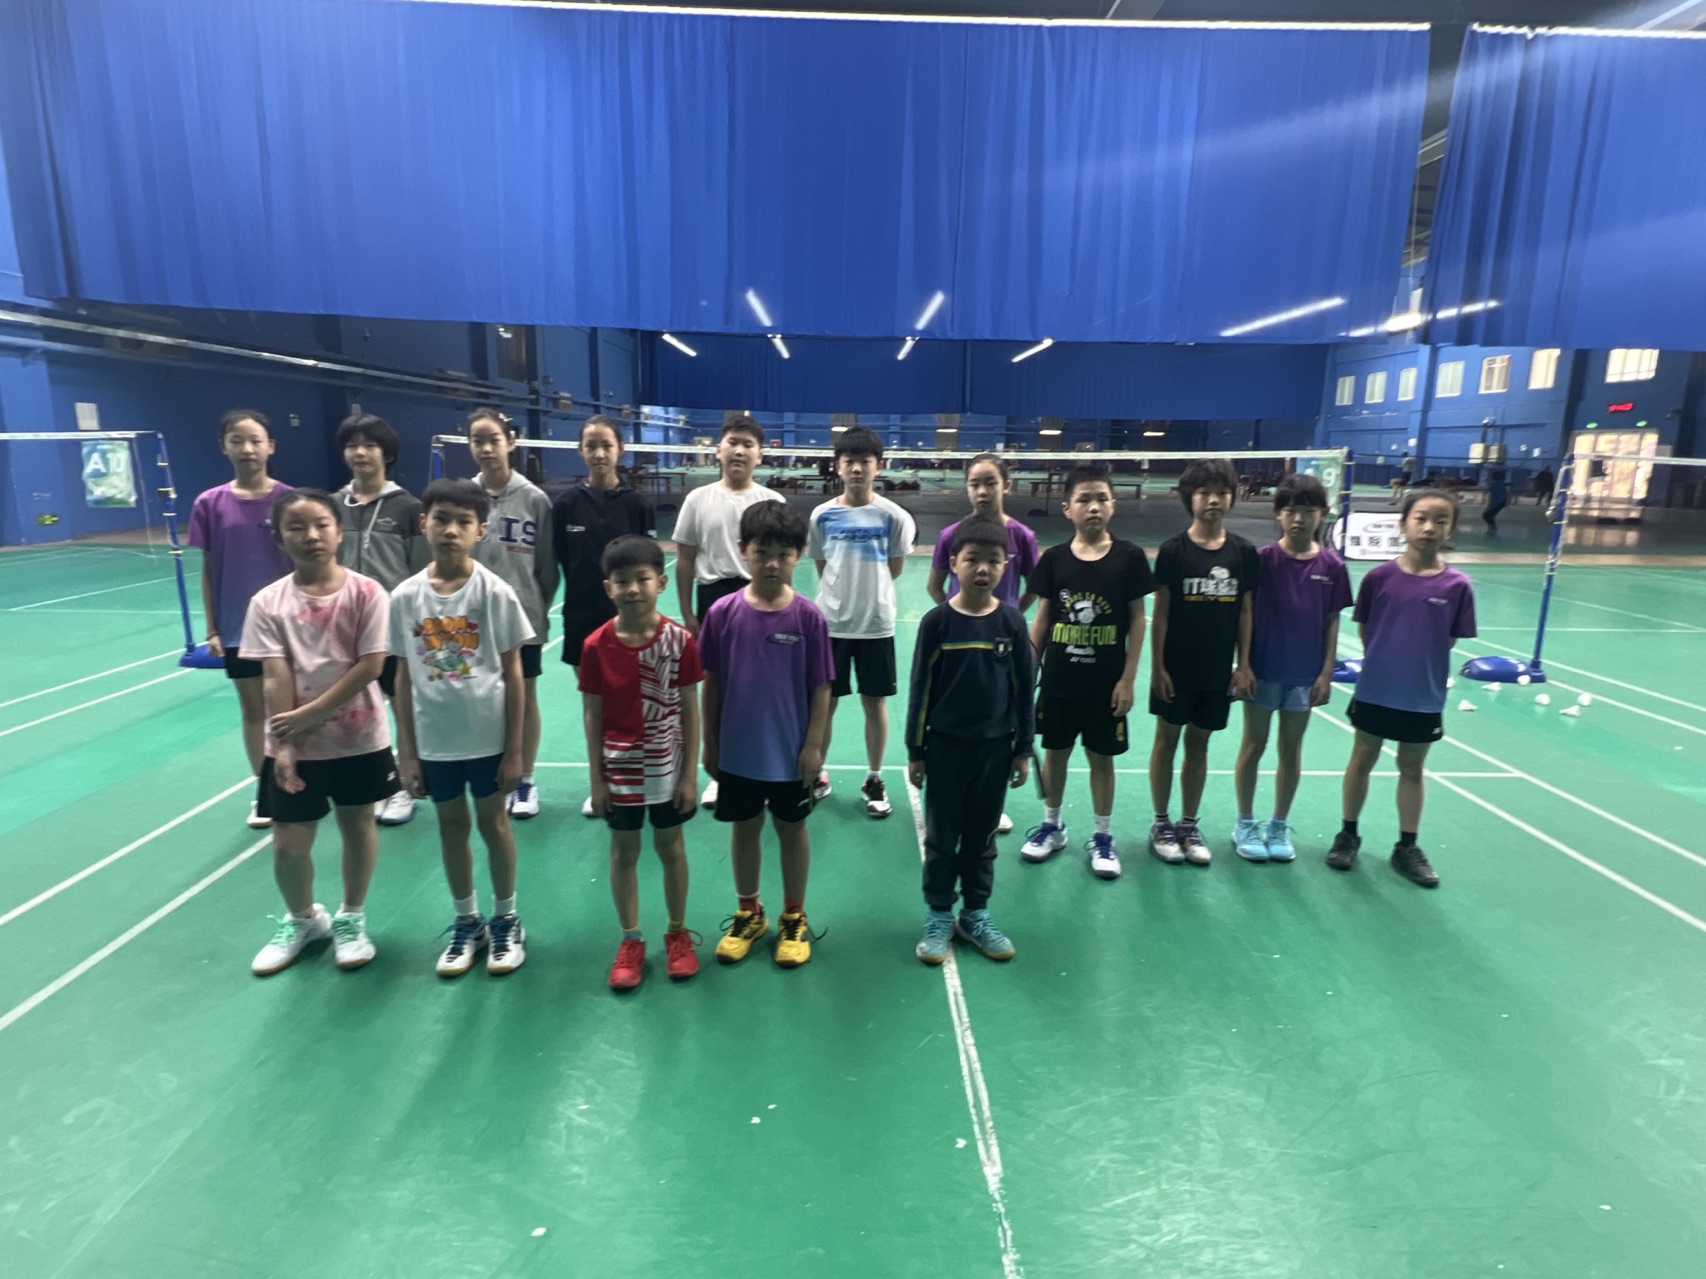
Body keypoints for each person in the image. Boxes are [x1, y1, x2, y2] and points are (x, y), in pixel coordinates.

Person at [243, 490, 397, 976]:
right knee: (288, 845)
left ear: (338, 532)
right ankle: (304, 919)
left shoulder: (368, 593)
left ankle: (351, 917)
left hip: (358, 738)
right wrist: (286, 744)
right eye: (296, 527)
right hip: (294, 743)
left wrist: (306, 715)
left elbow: (370, 666)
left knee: (358, 827)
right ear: (279, 538)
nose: (311, 536)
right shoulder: (267, 602)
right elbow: (275, 675)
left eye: (321, 525)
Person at [390, 480, 530, 978]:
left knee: (494, 825)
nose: (451, 529)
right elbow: (402, 677)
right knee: (451, 827)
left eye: (463, 522)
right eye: (441, 519)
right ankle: (467, 920)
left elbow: (513, 674)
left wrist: (514, 751)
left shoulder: (495, 592)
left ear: (480, 531)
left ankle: (506, 918)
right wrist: (407, 752)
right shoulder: (405, 597)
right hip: (435, 742)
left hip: (487, 739)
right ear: (423, 523)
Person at [698, 502, 833, 969]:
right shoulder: (722, 613)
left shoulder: (809, 618)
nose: (772, 563)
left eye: (783, 553)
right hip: (738, 752)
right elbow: (712, 682)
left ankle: (793, 915)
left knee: (792, 830)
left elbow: (821, 687)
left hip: (791, 754)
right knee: (745, 829)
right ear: (743, 551)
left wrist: (813, 746)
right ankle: (749, 912)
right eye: (762, 552)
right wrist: (710, 742)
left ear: (799, 555)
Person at [1332, 489, 1477, 888]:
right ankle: (1348, 834)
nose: (1429, 527)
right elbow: (1366, 631)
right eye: (1421, 518)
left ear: (1450, 529)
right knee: (1362, 758)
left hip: (1422, 695)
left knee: (1412, 768)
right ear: (1403, 524)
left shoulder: (1457, 585)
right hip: (1375, 691)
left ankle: (1407, 846)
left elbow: (1448, 639)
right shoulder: (1379, 578)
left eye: (1440, 521)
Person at [906, 516, 1035, 965]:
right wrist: (916, 751)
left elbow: (1023, 691)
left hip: (995, 751)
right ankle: (939, 913)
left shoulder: (1012, 623)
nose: (983, 568)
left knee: (981, 836)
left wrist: (1022, 749)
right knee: (942, 837)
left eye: (993, 561)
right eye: (973, 559)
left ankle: (975, 913)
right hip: (945, 748)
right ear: (954, 563)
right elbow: (921, 689)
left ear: (1006, 566)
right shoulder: (937, 623)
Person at [579, 535, 704, 990]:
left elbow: (690, 707)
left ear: (661, 582)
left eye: (642, 579)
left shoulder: (680, 641)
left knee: (671, 849)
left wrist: (689, 774)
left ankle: (677, 933)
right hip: (621, 771)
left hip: (667, 768)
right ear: (607, 587)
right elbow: (592, 714)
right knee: (624, 852)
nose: (632, 588)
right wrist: (597, 779)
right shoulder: (596, 645)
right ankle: (630, 938)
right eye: (622, 580)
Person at [1019, 463, 1155, 879]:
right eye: (1084, 499)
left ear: (1113, 505)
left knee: (1102, 760)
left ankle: (1102, 835)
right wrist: (1029, 670)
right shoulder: (1055, 559)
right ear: (1067, 508)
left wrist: (1128, 679)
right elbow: (1042, 618)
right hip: (1058, 682)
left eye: (1101, 498)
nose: (1093, 506)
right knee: (1055, 755)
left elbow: (1138, 620)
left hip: (1105, 685)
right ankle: (1052, 825)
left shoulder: (1130, 558)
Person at [1231, 475, 1352, 862]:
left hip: (1304, 675)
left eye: (1308, 511)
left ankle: (1279, 824)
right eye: (1291, 511)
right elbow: (1245, 615)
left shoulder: (1332, 566)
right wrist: (1243, 664)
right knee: (1254, 744)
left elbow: (1331, 622)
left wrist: (1326, 672)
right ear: (1278, 513)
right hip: (1263, 669)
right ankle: (1245, 822)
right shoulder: (1261, 560)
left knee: (1290, 748)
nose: (1299, 519)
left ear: (1323, 514)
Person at [1148, 458, 1261, 867]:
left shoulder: (1243, 552)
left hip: (1217, 670)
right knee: (1166, 740)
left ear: (1232, 497)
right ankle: (1161, 823)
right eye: (1204, 492)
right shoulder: (1172, 551)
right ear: (1189, 498)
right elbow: (1161, 613)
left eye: (1221, 492)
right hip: (1176, 668)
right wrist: (1157, 667)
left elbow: (1246, 611)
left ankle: (1189, 824)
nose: (1213, 500)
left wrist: (1243, 664)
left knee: (1200, 744)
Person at [670, 414, 785, 809]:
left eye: (748, 444)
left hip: (762, 597)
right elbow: (685, 559)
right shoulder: (698, 499)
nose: (739, 450)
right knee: (717, 687)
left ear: (760, 455)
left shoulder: (772, 502)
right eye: (732, 442)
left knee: (760, 686)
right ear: (718, 450)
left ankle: (764, 764)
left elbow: (784, 562)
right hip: (714, 600)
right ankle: (721, 773)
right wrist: (688, 613)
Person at [187, 409, 294, 831]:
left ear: (271, 446)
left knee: (294, 707)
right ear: (224, 447)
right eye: (237, 440)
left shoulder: (289, 501)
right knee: (254, 710)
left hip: (288, 626)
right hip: (237, 628)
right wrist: (213, 628)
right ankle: (265, 789)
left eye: (255, 440)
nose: (247, 449)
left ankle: (302, 779)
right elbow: (209, 569)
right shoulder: (209, 504)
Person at [925, 452, 1040, 835]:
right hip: (958, 645)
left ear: (1005, 486)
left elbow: (1034, 587)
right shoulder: (950, 536)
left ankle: (991, 800)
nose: (982, 491)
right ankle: (951, 797)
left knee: (1001, 719)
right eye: (975, 483)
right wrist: (954, 618)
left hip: (1003, 646)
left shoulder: (1022, 536)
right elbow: (935, 586)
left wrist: (1010, 618)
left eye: (990, 482)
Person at [806, 426, 916, 819]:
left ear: (878, 466)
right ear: (838, 466)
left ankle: (874, 778)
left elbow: (894, 568)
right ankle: (817, 773)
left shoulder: (893, 516)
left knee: (875, 703)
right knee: (826, 703)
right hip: (831, 625)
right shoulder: (821, 515)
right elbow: (823, 566)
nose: (856, 469)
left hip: (875, 625)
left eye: (864, 462)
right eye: (849, 461)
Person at [551, 415, 656, 819]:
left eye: (606, 445)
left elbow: (647, 563)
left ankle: (641, 774)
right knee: (595, 705)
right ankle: (602, 780)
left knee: (633, 700)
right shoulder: (565, 505)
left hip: (631, 619)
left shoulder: (637, 505)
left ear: (620, 450)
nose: (599, 453)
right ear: (580, 450)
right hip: (581, 618)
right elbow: (563, 558)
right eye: (591, 446)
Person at [333, 411, 429, 827]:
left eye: (370, 445)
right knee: (357, 711)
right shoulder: (332, 506)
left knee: (401, 706)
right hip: (343, 629)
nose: (361, 453)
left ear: (386, 454)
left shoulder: (408, 507)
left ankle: (404, 786)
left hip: (393, 629)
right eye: (353, 445)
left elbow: (421, 572)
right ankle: (373, 784)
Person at [466, 407, 559, 820]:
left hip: (522, 619)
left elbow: (547, 568)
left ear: (511, 443)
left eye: (494, 440)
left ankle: (524, 780)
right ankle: (489, 774)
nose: (486, 449)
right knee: (480, 697)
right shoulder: (463, 496)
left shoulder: (534, 499)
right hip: (471, 620)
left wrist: (534, 608)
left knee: (525, 698)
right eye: (478, 441)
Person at [1483, 468, 1509, 535]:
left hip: (1498, 502)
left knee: (1487, 515)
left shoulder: (1494, 485)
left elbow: (1494, 495)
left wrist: (1492, 504)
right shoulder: (1501, 484)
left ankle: (1492, 527)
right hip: (1501, 502)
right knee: (1489, 515)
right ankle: (1492, 527)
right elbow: (1505, 494)